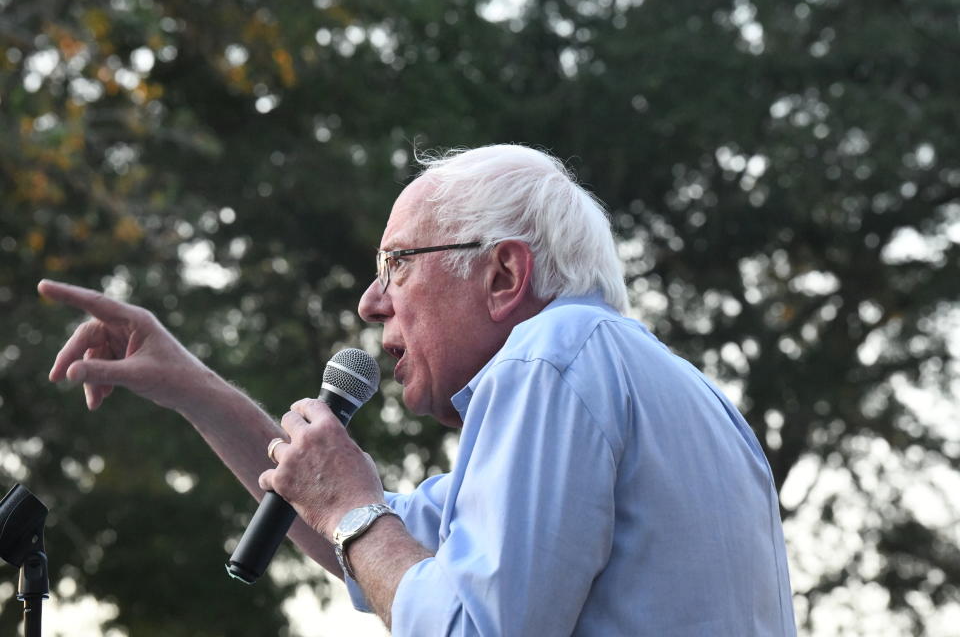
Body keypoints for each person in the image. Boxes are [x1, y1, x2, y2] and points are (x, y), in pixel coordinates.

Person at [40, 144, 796, 635]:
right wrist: (194, 388)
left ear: (503, 275)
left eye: (397, 263)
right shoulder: (672, 393)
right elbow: (368, 549)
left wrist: (348, 505)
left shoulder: (550, 356)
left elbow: (462, 621)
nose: (372, 302)